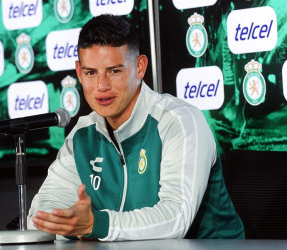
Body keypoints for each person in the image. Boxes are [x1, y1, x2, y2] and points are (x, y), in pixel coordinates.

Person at [27, 14, 245, 241]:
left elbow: (175, 218)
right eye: (91, 73)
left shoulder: (179, 121)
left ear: (140, 67)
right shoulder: (82, 136)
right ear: (79, 73)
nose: (102, 86)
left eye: (114, 71)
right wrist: (63, 223)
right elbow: (42, 213)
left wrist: (96, 224)